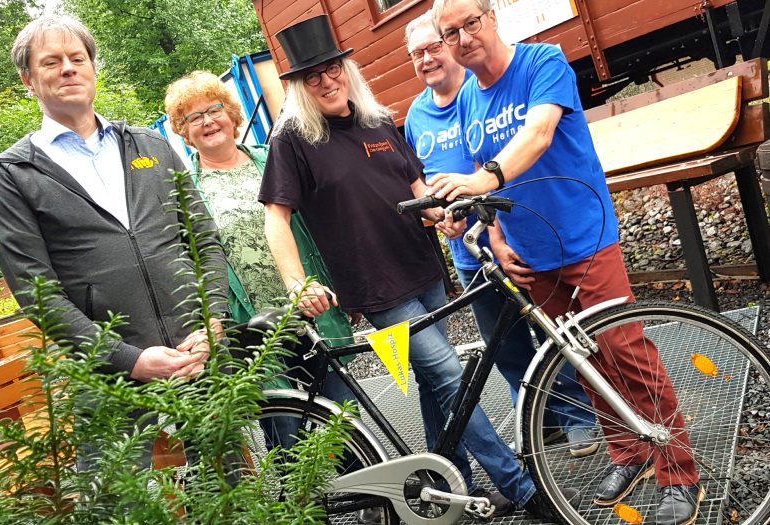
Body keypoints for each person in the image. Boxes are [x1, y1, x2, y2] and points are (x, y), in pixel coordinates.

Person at [258, 14, 577, 520]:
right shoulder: (293, 139)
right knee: (449, 375)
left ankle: (445, 489)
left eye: (332, 67)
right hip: (376, 286)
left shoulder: (378, 120)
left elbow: (414, 190)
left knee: (435, 387)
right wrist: (298, 284)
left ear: (346, 68)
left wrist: (443, 212)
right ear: (298, 84)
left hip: (424, 270)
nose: (325, 80)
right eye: (311, 75)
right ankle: (519, 488)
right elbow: (276, 216)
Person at [430, 1, 702, 523]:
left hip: (584, 236)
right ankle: (630, 454)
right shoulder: (466, 98)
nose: (464, 38)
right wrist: (492, 233)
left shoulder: (542, 63)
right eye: (451, 33)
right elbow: (474, 173)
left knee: (626, 351)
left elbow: (538, 135)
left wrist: (484, 180)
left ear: (491, 18)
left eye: (471, 23)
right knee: (582, 359)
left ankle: (679, 472)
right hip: (532, 254)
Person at [0, 15, 227, 469]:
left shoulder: (150, 145)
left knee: (227, 488)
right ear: (28, 80)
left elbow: (205, 243)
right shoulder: (13, 175)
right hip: (105, 374)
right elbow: (37, 294)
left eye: (78, 58)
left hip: (198, 354)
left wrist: (212, 322)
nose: (68, 69)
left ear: (94, 68)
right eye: (51, 62)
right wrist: (127, 358)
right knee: (117, 502)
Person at [403, 10, 598, 459]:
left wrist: (488, 215)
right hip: (469, 253)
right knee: (503, 345)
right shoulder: (415, 115)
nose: (428, 58)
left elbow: (509, 154)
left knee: (549, 328)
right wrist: (438, 216)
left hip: (513, 236)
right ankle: (538, 419)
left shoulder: (478, 95)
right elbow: (423, 183)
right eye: (418, 54)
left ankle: (578, 418)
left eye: (435, 46)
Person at [163, 70, 357, 441]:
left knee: (343, 418)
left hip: (308, 307)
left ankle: (366, 494)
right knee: (284, 428)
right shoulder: (184, 192)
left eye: (214, 109)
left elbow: (321, 228)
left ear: (232, 115)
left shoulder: (274, 159)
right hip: (250, 326)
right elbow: (189, 263)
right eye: (194, 117)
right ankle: (301, 500)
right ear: (183, 131)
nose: (208, 121)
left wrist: (340, 286)